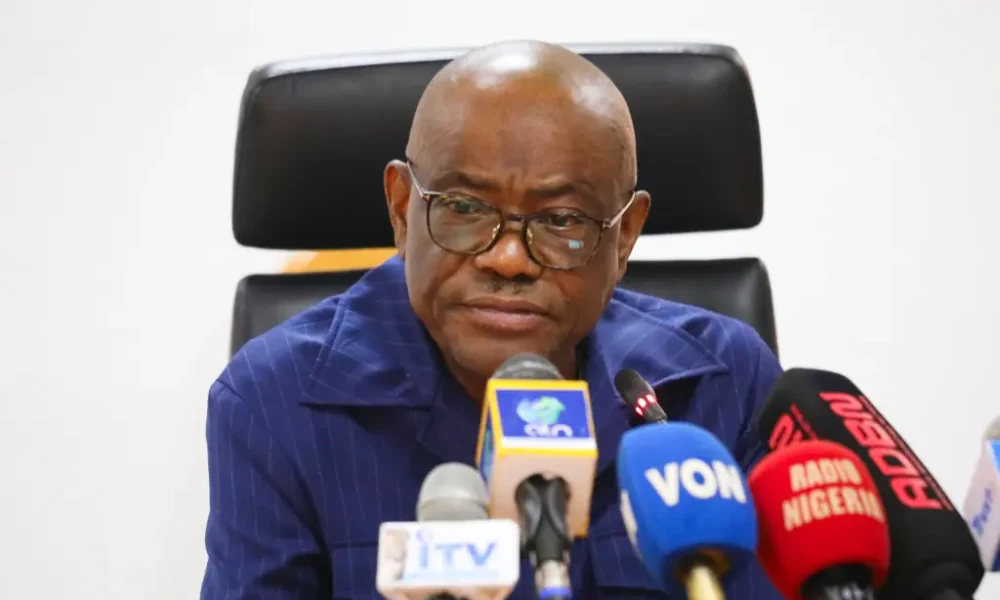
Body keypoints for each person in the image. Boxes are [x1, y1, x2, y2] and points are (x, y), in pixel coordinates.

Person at [200, 40, 783, 599]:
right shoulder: (276, 403)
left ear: (625, 235)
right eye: (463, 208)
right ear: (402, 209)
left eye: (562, 220)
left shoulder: (719, 385)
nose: (508, 259)